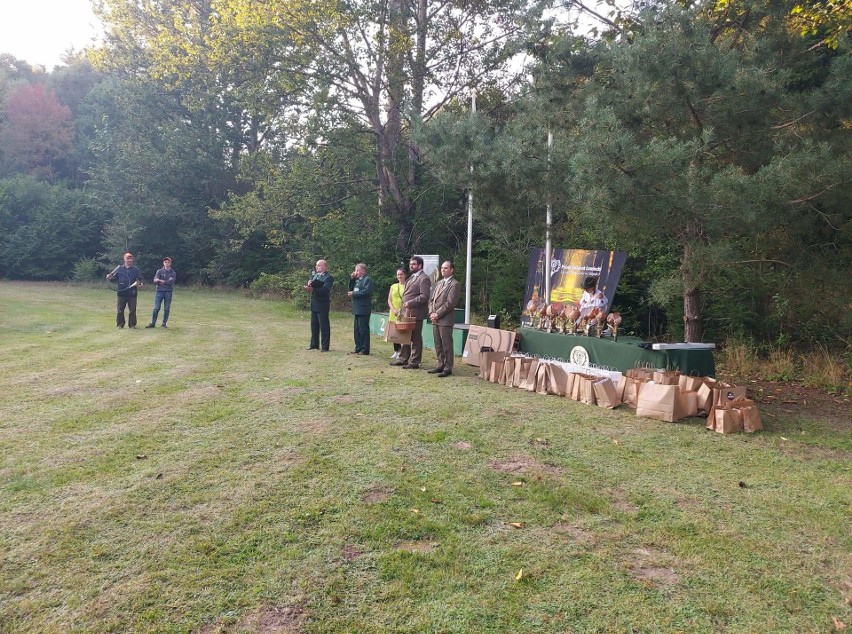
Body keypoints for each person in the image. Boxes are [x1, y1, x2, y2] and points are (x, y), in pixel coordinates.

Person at [391, 256, 431, 370]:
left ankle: (415, 362)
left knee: (415, 337)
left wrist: (411, 303)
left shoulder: (424, 279)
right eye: (410, 264)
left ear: (420, 265)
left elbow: (424, 296)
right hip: (406, 311)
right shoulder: (412, 277)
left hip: (416, 312)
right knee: (405, 336)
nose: (411, 266)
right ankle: (403, 358)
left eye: (413, 264)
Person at [427, 260, 461, 377]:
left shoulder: (455, 284)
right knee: (438, 344)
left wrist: (438, 314)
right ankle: (440, 364)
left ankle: (448, 367)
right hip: (435, 318)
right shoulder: (439, 283)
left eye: (446, 268)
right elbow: (431, 300)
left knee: (446, 344)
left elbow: (450, 303)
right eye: (442, 268)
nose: (443, 270)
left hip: (445, 319)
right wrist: (431, 312)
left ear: (451, 270)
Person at [106, 252, 144, 328]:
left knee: (132, 310)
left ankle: (132, 325)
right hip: (121, 292)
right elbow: (114, 279)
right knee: (120, 310)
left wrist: (141, 283)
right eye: (128, 258)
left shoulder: (136, 269)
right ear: (124, 259)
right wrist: (110, 278)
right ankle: (120, 324)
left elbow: (141, 278)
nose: (129, 260)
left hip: (132, 293)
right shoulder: (119, 269)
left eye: (131, 258)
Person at [305, 259, 333, 351]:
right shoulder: (315, 276)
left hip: (323, 303)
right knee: (314, 325)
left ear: (324, 267)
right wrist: (309, 286)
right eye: (316, 265)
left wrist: (313, 290)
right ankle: (314, 344)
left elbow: (325, 290)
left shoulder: (328, 277)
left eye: (318, 265)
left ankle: (325, 346)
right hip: (314, 302)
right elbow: (314, 287)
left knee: (324, 326)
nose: (316, 267)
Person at [347, 263, 374, 355]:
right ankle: (358, 347)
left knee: (363, 329)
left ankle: (364, 349)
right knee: (357, 329)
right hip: (356, 308)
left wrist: (354, 294)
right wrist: (352, 279)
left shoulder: (368, 280)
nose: (356, 272)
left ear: (363, 271)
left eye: (358, 270)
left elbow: (366, 292)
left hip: (363, 308)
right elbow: (351, 288)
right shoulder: (357, 280)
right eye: (355, 270)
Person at [146, 257, 176, 328]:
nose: (167, 263)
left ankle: (164, 324)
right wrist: (162, 281)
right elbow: (155, 281)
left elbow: (170, 282)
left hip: (168, 292)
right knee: (156, 308)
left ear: (170, 263)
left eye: (168, 262)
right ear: (163, 263)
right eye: (165, 262)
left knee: (166, 309)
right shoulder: (159, 271)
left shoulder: (173, 272)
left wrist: (161, 281)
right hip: (159, 292)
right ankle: (153, 323)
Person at [386, 268, 407, 359]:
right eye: (398, 274)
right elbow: (389, 299)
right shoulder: (393, 286)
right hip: (393, 312)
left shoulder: (407, 286)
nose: (399, 276)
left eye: (401, 274)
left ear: (405, 275)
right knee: (394, 332)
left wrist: (400, 310)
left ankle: (402, 352)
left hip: (403, 312)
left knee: (402, 332)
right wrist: (393, 309)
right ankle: (396, 351)